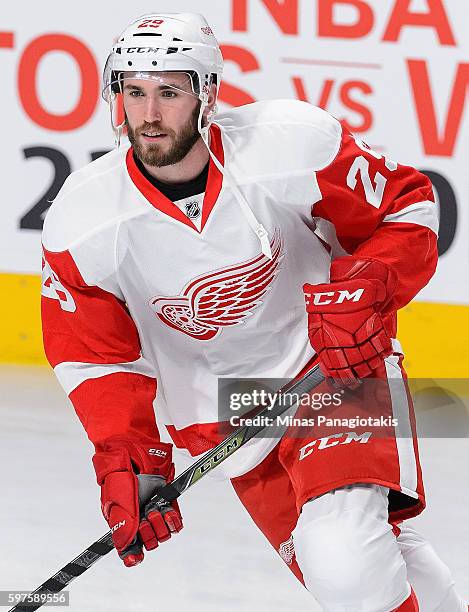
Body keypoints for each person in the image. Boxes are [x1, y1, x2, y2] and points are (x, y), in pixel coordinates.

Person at [40, 12, 466, 612]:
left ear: (206, 94)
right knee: (361, 564)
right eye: (134, 92)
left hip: (335, 376)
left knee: (343, 558)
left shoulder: (289, 143)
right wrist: (126, 452)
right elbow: (93, 353)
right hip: (228, 415)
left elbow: (406, 209)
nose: (149, 114)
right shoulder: (84, 218)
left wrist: (367, 289)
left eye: (169, 92)